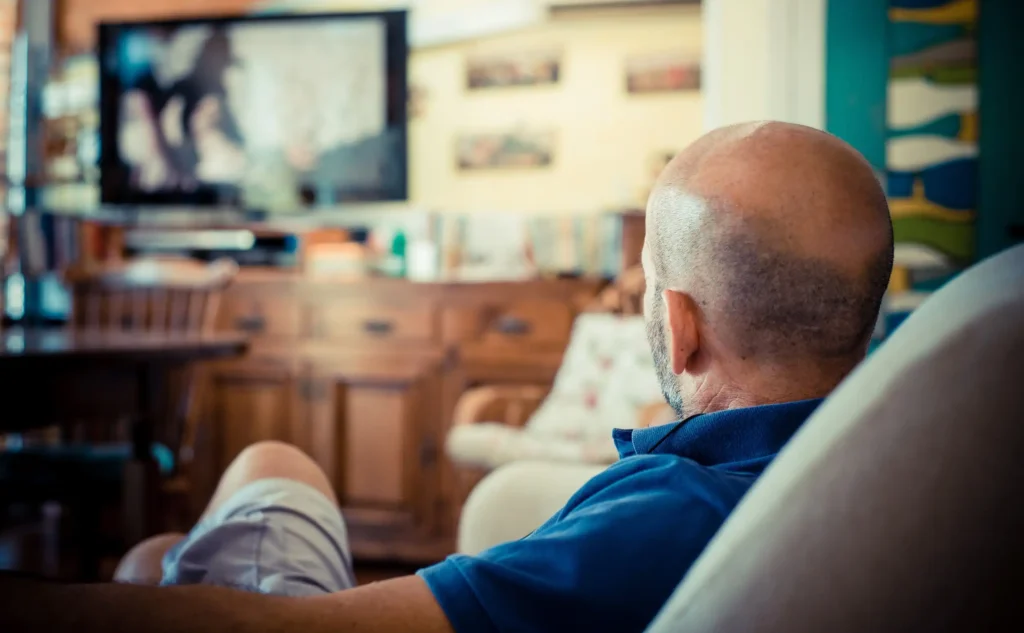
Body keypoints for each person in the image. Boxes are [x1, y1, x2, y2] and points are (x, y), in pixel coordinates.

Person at [0, 121, 894, 633]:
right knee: (159, 555)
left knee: (272, 464)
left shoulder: (668, 515)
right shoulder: (883, 471)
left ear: (680, 323)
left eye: (649, 282)